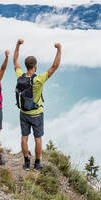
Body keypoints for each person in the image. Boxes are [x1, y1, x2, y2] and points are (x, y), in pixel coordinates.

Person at [13, 39, 61, 170]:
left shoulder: (20, 76)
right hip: (36, 114)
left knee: (24, 137)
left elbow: (15, 61)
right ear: (35, 66)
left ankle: (26, 162)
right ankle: (38, 163)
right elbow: (54, 67)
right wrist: (59, 49)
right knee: (38, 139)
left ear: (26, 65)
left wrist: (17, 45)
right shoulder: (38, 79)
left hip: (23, 113)